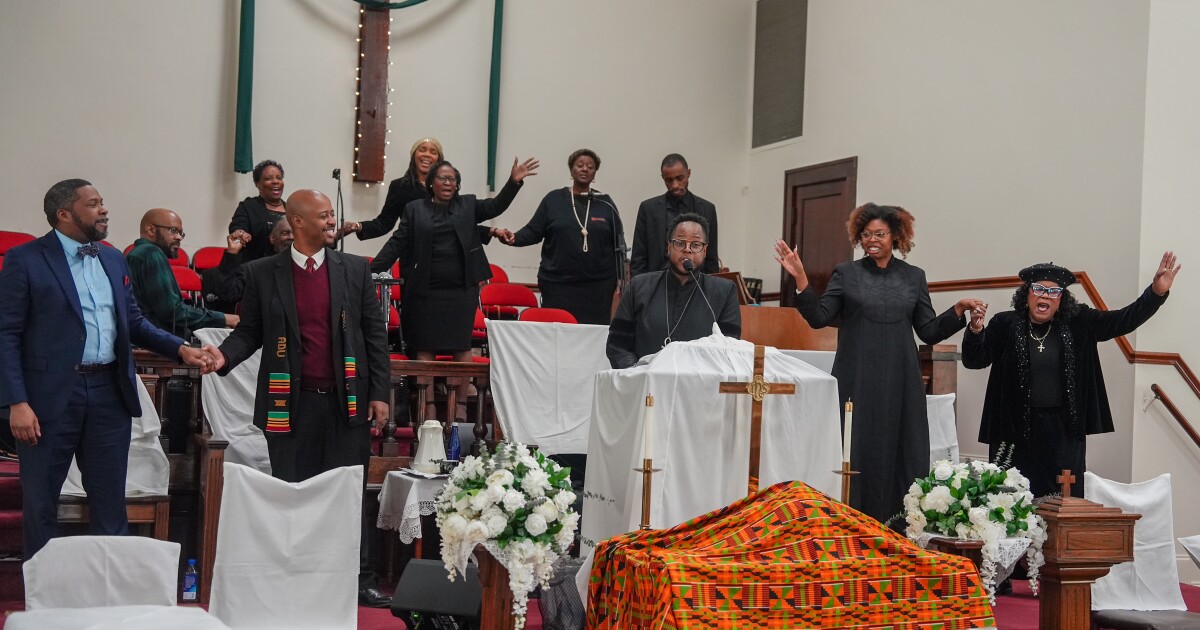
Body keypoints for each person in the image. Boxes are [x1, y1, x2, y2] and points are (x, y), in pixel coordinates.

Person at [0, 179, 216, 558]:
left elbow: (133, 322)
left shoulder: (113, 258)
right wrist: (16, 401)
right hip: (48, 398)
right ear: (64, 214)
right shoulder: (26, 259)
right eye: (94, 204)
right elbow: (6, 334)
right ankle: (45, 601)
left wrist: (181, 348)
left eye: (102, 203)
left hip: (108, 393)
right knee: (42, 504)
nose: (104, 210)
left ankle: (108, 597)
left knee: (109, 501)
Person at [207, 188, 393, 607]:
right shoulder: (262, 272)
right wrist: (222, 357)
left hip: (347, 402)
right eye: (325, 216)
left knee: (349, 492)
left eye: (332, 215)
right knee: (293, 492)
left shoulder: (355, 270)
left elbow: (374, 336)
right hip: (290, 404)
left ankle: (359, 578)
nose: (333, 222)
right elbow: (250, 332)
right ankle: (297, 572)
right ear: (298, 222)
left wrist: (380, 392)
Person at [774, 203, 984, 525]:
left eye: (880, 234)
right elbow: (818, 318)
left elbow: (927, 331)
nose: (872, 240)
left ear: (895, 236)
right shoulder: (847, 273)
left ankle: (899, 525)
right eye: (867, 234)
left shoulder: (914, 277)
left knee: (902, 451)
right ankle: (853, 524)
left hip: (902, 380)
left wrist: (957, 310)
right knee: (857, 450)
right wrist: (801, 278)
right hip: (856, 379)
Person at [963, 255, 1180, 498]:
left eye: (1054, 291)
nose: (1045, 295)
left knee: (1064, 501)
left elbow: (1122, 321)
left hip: (1063, 433)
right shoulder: (1005, 323)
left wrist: (1155, 293)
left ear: (1061, 299)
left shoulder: (1079, 321)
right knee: (1009, 502)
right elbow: (974, 360)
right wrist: (975, 330)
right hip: (1013, 431)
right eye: (1038, 289)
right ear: (1027, 294)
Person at [370, 156, 538, 422]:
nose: (448, 183)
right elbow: (397, 242)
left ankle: (459, 406)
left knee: (462, 346)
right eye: (442, 178)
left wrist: (513, 182)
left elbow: (495, 206)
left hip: (461, 290)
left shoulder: (467, 205)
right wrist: (371, 271)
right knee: (424, 347)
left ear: (458, 185)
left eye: (453, 179)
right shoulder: (415, 209)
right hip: (424, 290)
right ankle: (429, 408)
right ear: (431, 183)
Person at [497, 149, 627, 324]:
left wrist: (622, 281)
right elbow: (533, 231)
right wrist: (514, 237)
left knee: (591, 338)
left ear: (595, 173)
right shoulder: (554, 200)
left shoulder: (605, 202)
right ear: (571, 170)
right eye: (580, 165)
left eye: (590, 166)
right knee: (558, 335)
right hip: (558, 285)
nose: (585, 169)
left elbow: (618, 243)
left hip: (598, 288)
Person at [607, 213, 740, 368]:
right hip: (646, 385)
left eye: (696, 244)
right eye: (680, 243)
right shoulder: (639, 286)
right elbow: (617, 345)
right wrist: (636, 373)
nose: (687, 250)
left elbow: (730, 349)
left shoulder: (724, 292)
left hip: (699, 385)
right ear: (669, 247)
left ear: (705, 251)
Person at [126, 208, 238, 337]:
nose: (179, 237)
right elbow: (173, 312)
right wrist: (224, 318)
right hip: (158, 344)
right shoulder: (151, 253)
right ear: (151, 230)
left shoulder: (137, 253)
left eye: (181, 233)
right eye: (173, 230)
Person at [630, 154, 719, 277]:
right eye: (669, 180)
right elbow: (638, 258)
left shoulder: (707, 209)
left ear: (689, 173)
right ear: (663, 178)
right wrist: (639, 290)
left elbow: (711, 258)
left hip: (695, 282)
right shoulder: (648, 209)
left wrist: (711, 290)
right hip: (657, 283)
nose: (675, 185)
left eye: (680, 178)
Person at [201, 220, 294, 312]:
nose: (291, 237)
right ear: (272, 238)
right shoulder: (255, 269)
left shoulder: (306, 267)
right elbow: (229, 295)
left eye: (295, 233)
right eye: (285, 233)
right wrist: (232, 253)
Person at [228, 159, 287, 262]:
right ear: (257, 184)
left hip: (286, 268)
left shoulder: (292, 209)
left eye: (279, 178)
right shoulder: (248, 206)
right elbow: (237, 228)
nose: (275, 181)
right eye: (269, 178)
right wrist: (241, 234)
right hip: (255, 269)